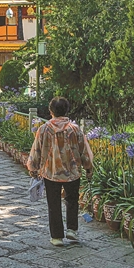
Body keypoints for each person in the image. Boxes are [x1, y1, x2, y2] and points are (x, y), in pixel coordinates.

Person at [26, 96, 94, 247]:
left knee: (53, 203)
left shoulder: (43, 129)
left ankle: (56, 237)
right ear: (66, 110)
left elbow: (36, 150)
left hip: (51, 172)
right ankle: (72, 230)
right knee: (72, 201)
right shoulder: (75, 129)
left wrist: (33, 167)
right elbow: (84, 151)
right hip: (73, 172)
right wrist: (88, 168)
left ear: (51, 111)